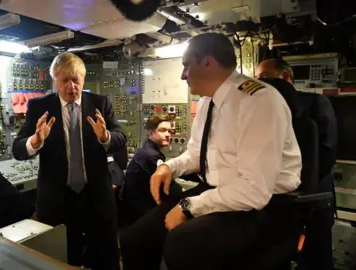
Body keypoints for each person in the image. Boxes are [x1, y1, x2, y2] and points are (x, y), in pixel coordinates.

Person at [120, 32, 302, 270]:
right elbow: (197, 154)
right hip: (219, 191)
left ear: (208, 62)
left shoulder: (258, 101)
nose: (182, 75)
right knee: (134, 239)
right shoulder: (208, 101)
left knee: (182, 245)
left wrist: (189, 207)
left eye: (186, 65)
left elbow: (254, 191)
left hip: (265, 205)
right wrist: (169, 167)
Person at [12, 52, 126, 269]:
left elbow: (120, 139)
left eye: (76, 80)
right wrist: (35, 141)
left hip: (96, 198)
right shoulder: (39, 107)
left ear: (83, 79)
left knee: (105, 256)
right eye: (65, 80)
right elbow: (18, 149)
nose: (71, 86)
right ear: (55, 79)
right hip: (57, 199)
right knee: (61, 258)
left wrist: (105, 137)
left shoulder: (100, 103)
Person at [256, 58, 338, 270]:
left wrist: (301, 184)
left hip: (313, 198)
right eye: (257, 79)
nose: (260, 83)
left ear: (285, 77)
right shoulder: (261, 110)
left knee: (315, 257)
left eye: (264, 77)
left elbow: (326, 151)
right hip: (276, 201)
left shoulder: (314, 102)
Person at [122, 114, 173, 225]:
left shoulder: (149, 149)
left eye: (170, 131)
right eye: (163, 130)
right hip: (140, 214)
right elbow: (168, 188)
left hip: (137, 210)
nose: (168, 134)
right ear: (151, 133)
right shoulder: (150, 155)